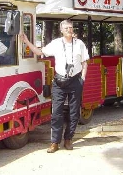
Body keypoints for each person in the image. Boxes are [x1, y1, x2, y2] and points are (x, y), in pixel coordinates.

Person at [21, 19, 89, 153]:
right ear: (61, 30)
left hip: (75, 81)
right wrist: (27, 42)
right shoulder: (57, 43)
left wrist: (82, 79)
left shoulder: (79, 44)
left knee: (74, 112)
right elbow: (40, 52)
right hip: (59, 82)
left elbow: (84, 62)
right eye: (67, 28)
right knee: (56, 113)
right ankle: (55, 142)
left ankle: (68, 139)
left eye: (71, 27)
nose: (70, 30)